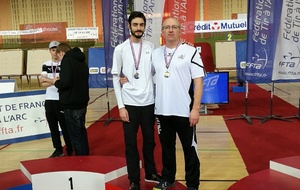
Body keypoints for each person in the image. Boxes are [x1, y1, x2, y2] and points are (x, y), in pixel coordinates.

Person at [151, 17, 205, 190]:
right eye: (167, 27)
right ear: (162, 32)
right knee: (167, 149)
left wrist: (196, 109)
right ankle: (168, 178)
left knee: (190, 150)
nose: (171, 30)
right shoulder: (155, 54)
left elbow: (198, 81)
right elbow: (146, 77)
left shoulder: (191, 52)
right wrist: (126, 79)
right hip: (161, 111)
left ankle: (192, 184)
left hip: (184, 111)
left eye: (174, 27)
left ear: (180, 30)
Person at [111, 11, 162, 190]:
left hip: (148, 103)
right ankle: (134, 179)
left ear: (144, 27)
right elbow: (116, 78)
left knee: (150, 141)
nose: (138, 28)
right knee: (131, 143)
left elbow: (156, 72)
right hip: (129, 104)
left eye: (141, 25)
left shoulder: (151, 47)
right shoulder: (120, 49)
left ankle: (150, 172)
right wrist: (121, 106)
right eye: (135, 25)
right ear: (129, 26)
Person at [52, 43, 90, 156]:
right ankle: (85, 156)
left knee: (75, 135)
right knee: (81, 131)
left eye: (58, 57)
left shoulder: (67, 61)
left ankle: (81, 160)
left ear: (61, 53)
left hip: (71, 103)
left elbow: (66, 83)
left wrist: (56, 82)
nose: (59, 60)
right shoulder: (81, 61)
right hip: (82, 101)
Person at [39, 41, 73, 158]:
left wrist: (49, 80)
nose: (55, 53)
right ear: (49, 51)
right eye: (52, 50)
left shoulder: (64, 64)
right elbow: (42, 83)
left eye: (56, 50)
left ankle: (69, 148)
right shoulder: (46, 64)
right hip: (49, 99)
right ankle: (58, 149)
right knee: (53, 127)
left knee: (65, 126)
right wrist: (55, 81)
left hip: (61, 99)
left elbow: (62, 82)